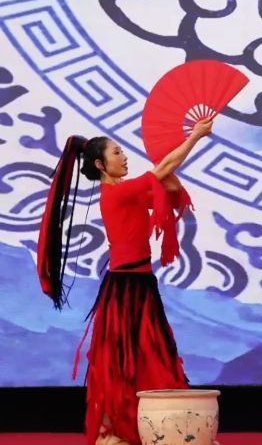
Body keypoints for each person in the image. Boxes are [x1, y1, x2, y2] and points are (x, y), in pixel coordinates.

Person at [36, 119, 213, 445]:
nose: (124, 156)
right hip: (124, 288)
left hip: (142, 283)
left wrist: (168, 178)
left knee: (150, 355)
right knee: (117, 362)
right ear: (101, 164)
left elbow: (166, 189)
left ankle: (158, 425)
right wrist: (195, 137)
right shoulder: (115, 194)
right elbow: (163, 170)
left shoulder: (127, 193)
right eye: (117, 152)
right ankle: (111, 429)